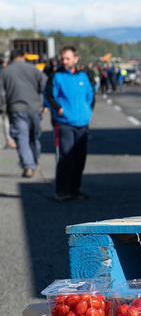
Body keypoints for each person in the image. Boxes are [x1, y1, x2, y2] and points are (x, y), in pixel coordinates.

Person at [45, 46, 95, 201]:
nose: (64, 61)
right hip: (65, 123)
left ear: (76, 58)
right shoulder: (56, 76)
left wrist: (87, 112)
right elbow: (49, 97)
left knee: (80, 159)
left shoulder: (83, 76)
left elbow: (91, 96)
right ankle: (62, 191)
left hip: (82, 123)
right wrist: (59, 109)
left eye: (67, 58)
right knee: (66, 157)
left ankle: (75, 189)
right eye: (63, 58)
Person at [0, 49, 48, 177]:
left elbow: (1, 93)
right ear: (22, 56)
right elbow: (45, 84)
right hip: (34, 107)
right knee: (34, 137)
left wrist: (3, 108)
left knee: (22, 137)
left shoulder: (5, 72)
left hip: (16, 108)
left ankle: (28, 165)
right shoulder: (33, 69)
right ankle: (34, 161)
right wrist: (44, 103)